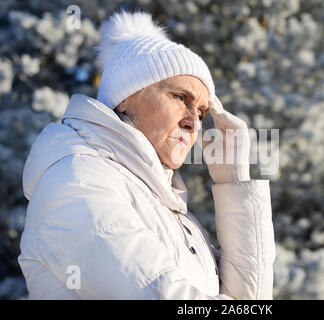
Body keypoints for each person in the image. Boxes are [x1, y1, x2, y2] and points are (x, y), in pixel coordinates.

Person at [18, 10, 276, 299]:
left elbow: (249, 301)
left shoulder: (167, 207)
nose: (194, 120)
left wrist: (234, 180)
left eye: (202, 112)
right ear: (125, 97)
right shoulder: (76, 180)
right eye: (180, 97)